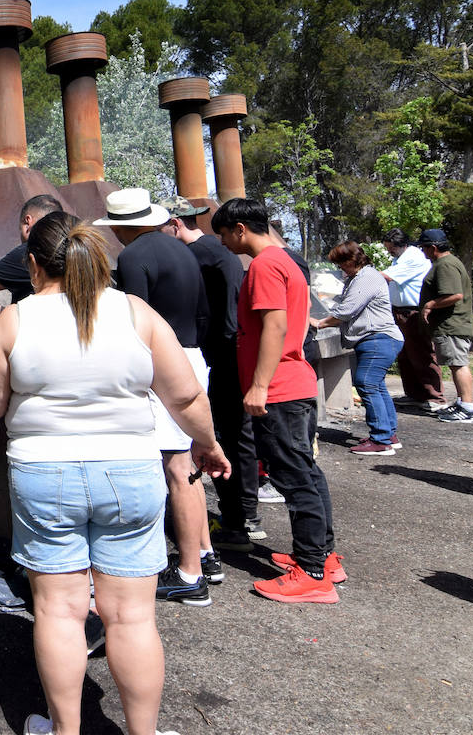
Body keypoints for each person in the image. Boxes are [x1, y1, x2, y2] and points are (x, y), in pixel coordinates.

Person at [0, 211, 229, 735]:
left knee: (60, 614)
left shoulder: (14, 320)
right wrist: (208, 446)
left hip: (45, 478)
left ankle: (65, 731)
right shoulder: (135, 313)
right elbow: (184, 395)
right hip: (130, 475)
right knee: (132, 617)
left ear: (34, 265)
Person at [214, 197, 341, 603]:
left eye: (223, 235)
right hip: (296, 382)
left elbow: (275, 324)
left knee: (293, 478)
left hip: (281, 388)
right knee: (306, 471)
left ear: (239, 229)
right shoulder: (289, 261)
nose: (223, 244)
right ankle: (324, 556)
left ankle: (312, 572)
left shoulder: (266, 265)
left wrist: (259, 385)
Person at [95, 188, 218, 606]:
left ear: (122, 225)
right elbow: (202, 312)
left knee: (176, 468)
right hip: (193, 356)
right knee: (191, 463)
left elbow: (134, 322)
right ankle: (203, 553)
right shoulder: (182, 249)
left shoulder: (132, 258)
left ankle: (189, 575)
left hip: (162, 363)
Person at [162, 195, 261, 551]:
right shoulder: (222, 255)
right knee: (239, 436)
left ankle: (234, 521)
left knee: (217, 437)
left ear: (175, 224)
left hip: (215, 356)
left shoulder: (194, 257)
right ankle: (247, 513)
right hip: (233, 351)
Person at [312, 241, 405, 455]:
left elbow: (347, 310)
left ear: (352, 260)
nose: (340, 268)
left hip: (378, 338)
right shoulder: (358, 278)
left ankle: (381, 440)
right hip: (376, 339)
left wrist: (319, 322)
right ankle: (389, 433)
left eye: (341, 263)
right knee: (377, 385)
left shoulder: (367, 277)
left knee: (366, 382)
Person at [417, 229, 473, 423]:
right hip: (448, 325)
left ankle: (468, 408)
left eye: (424, 248)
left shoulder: (445, 265)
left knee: (458, 364)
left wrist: (430, 304)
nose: (423, 252)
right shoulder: (444, 263)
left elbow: (455, 295)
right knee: (454, 364)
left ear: (433, 248)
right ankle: (461, 403)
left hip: (453, 325)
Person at [381, 229, 444, 410]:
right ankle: (415, 393)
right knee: (406, 355)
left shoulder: (413, 257)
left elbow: (387, 276)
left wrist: (362, 275)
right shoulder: (399, 258)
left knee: (422, 354)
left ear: (401, 245)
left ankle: (434, 396)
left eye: (391, 248)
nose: (389, 252)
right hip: (400, 311)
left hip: (413, 311)